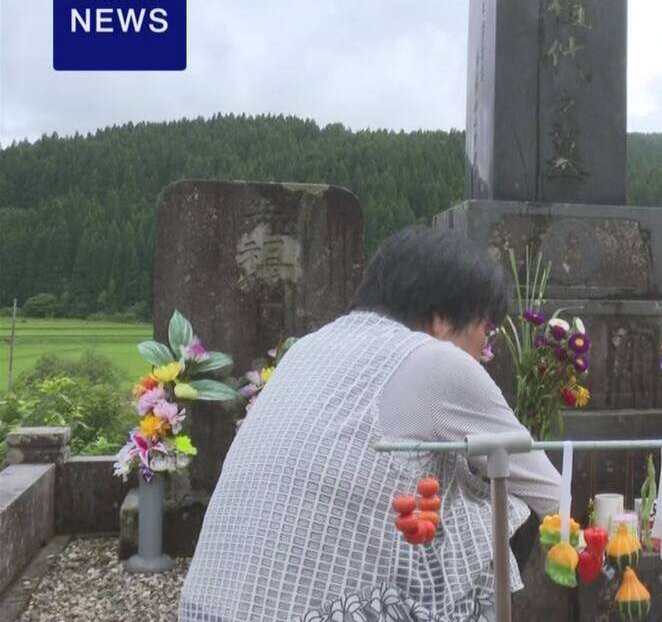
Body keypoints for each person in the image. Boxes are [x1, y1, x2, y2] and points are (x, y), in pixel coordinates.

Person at [180, 227, 560, 622]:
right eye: (485, 330)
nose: (486, 351)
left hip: (205, 608)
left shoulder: (308, 347)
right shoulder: (437, 361)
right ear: (443, 319)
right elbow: (548, 491)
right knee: (505, 502)